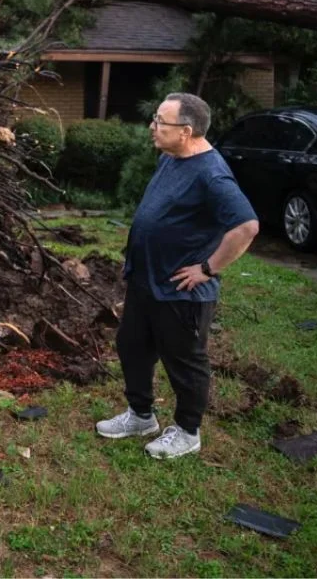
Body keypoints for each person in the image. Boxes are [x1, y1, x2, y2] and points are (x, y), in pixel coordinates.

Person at [95, 93, 259, 459]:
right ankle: (140, 415)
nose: (152, 127)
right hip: (146, 281)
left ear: (185, 131)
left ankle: (187, 431)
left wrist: (207, 268)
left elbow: (246, 226)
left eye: (160, 122)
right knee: (132, 346)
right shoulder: (172, 157)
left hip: (181, 291)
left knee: (184, 362)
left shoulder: (212, 174)